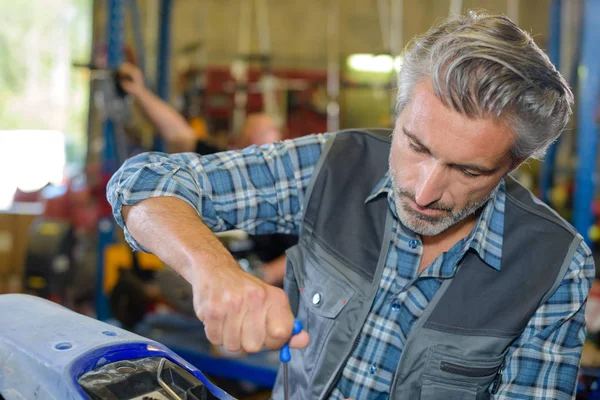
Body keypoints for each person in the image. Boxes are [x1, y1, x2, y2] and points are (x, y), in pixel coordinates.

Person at [107, 12, 593, 399]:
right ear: (398, 113)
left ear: (514, 164)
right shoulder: (334, 164)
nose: (423, 193)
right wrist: (214, 269)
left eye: (469, 171)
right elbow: (142, 181)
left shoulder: (553, 267)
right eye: (416, 147)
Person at [117, 62, 295, 285]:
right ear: (238, 146)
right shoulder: (224, 166)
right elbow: (177, 134)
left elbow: (306, 248)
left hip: (258, 286)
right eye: (252, 150)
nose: (260, 162)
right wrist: (138, 91)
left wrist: (262, 277)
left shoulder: (290, 191)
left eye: (269, 153)